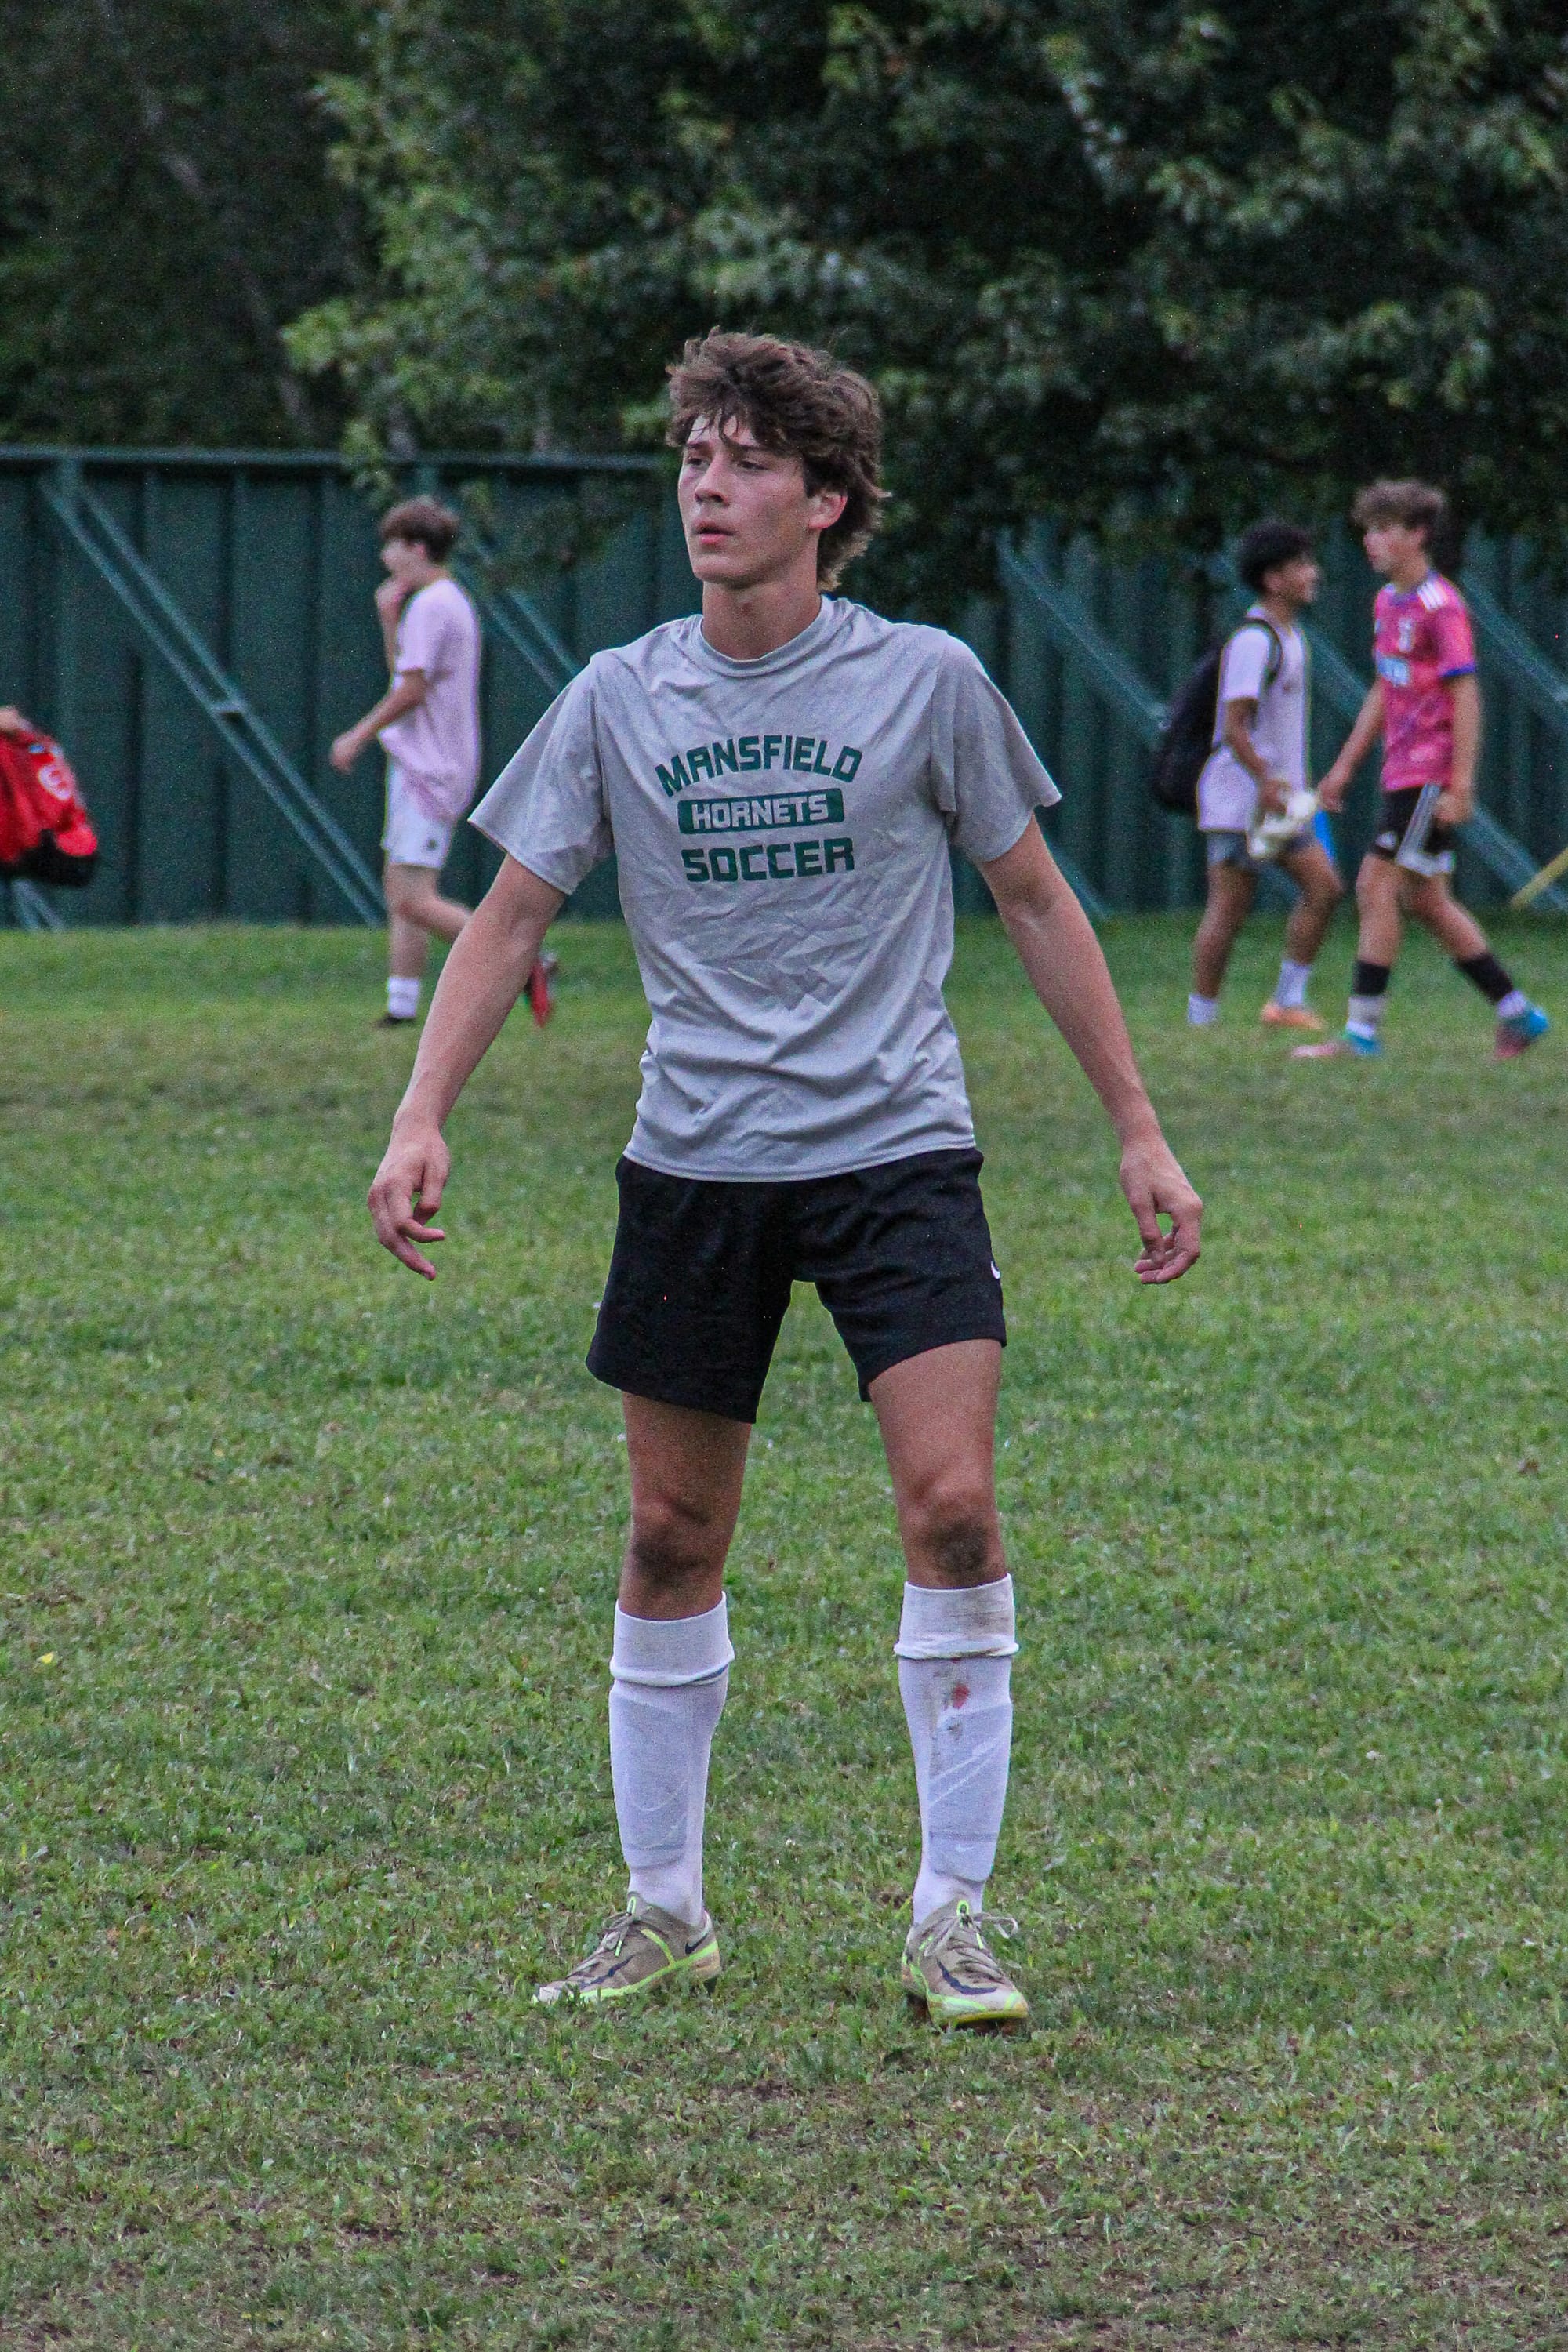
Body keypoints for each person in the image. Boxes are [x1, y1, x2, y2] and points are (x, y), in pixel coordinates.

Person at [367, 331, 1202, 2030]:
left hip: (897, 1153)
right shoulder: (618, 696)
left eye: (748, 462)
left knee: (953, 1510)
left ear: (826, 500)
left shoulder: (926, 682)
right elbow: (511, 916)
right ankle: (662, 1909)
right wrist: (419, 1112)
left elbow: (1035, 899)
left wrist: (1136, 1123)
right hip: (698, 1163)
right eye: (695, 458)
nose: (708, 488)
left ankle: (952, 1918)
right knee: (670, 1533)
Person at [1294, 480, 1548, 1061]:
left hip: (1429, 774)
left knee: (1374, 885)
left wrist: (1461, 783)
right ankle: (1520, 1015)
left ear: (1418, 535)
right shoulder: (1388, 603)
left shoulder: (1441, 605)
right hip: (1401, 772)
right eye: (1368, 530)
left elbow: (1466, 695)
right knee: (1429, 901)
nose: (1371, 540)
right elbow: (1385, 689)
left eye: (1385, 529)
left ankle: (1361, 1034)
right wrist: (1344, 766)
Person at [331, 497, 551, 1028]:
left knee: (411, 898)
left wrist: (357, 736)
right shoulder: (439, 601)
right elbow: (406, 674)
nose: (385, 557)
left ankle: (526, 960)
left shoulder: (434, 605)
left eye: (392, 546)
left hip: (430, 769)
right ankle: (401, 1006)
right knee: (403, 893)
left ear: (417, 548)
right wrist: (388, 620)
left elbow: (410, 691)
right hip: (423, 765)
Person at [1188, 520, 1342, 1032]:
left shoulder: (1292, 638)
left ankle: (1287, 1002)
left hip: (1278, 800)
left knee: (1324, 888)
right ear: (1273, 580)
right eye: (1301, 565)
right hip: (1242, 800)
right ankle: (1201, 1020)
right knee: (1230, 908)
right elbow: (1234, 726)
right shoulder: (1255, 640)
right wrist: (1265, 781)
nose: (1312, 574)